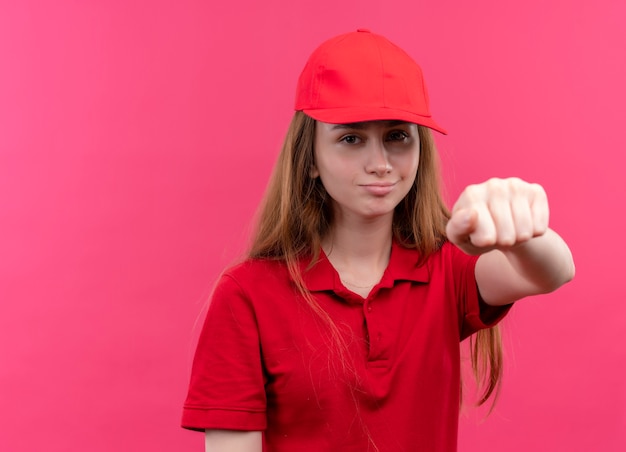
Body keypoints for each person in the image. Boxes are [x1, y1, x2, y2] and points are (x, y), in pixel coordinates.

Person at [181, 29, 575, 452]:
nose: (380, 164)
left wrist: (518, 226)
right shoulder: (246, 295)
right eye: (351, 139)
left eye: (397, 136)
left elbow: (555, 271)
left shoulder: (446, 269)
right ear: (309, 158)